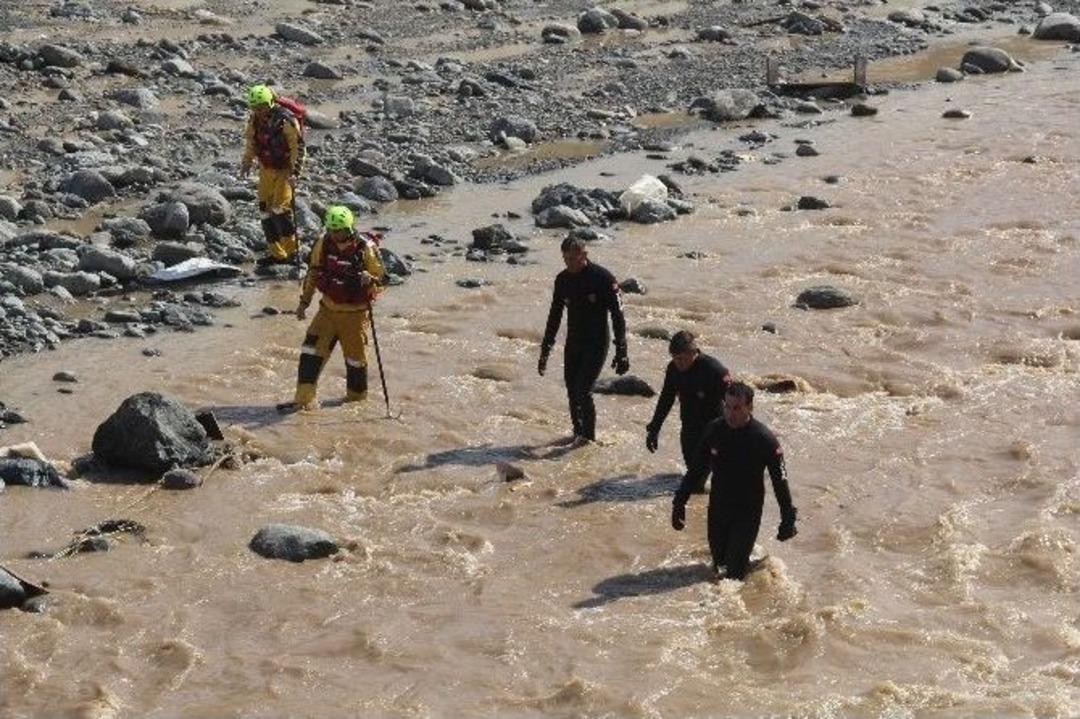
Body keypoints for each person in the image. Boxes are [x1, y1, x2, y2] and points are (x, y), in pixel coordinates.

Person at [671, 382, 797, 580]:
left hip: (748, 510)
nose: (730, 413)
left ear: (750, 407)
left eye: (737, 408)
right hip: (718, 507)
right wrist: (679, 502)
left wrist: (788, 518)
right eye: (727, 406)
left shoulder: (764, 439)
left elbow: (780, 479)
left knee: (734, 574)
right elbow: (696, 470)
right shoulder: (714, 430)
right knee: (718, 564)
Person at [281, 205, 386, 411]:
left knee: (355, 361)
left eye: (339, 230)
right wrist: (304, 303)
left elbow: (383, 278)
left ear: (349, 228)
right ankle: (303, 401)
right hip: (327, 311)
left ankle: (356, 402)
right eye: (332, 230)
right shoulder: (323, 243)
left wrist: (371, 279)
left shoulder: (366, 248)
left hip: (354, 315)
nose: (336, 235)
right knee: (310, 352)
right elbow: (313, 273)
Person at [538, 236, 629, 443]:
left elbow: (617, 314)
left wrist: (621, 348)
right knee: (571, 390)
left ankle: (588, 439)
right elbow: (554, 316)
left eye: (574, 259)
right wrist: (545, 350)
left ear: (584, 255)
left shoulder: (602, 278)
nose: (570, 263)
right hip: (574, 341)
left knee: (583, 389)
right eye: (566, 259)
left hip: (597, 342)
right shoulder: (562, 280)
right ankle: (577, 434)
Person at [645, 330, 732, 491]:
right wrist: (654, 428)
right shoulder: (673, 369)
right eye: (674, 358)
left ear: (693, 353)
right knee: (693, 474)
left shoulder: (714, 370)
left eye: (682, 359)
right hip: (689, 428)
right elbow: (666, 399)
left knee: (696, 483)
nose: (679, 363)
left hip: (713, 430)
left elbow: (734, 402)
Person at [239, 84, 304, 264]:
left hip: (285, 170)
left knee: (280, 210)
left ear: (270, 104)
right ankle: (277, 253)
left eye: (261, 107)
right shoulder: (254, 120)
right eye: (255, 107)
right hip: (266, 169)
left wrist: (295, 173)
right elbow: (251, 142)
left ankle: (292, 252)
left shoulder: (286, 121)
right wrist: (246, 162)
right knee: (264, 211)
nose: (259, 111)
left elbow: (297, 148)